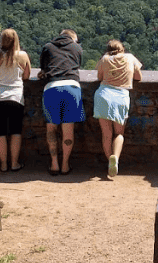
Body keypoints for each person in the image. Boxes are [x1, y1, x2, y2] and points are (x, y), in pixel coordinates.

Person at [0, 28, 31, 172]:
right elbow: (26, 76)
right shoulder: (23, 55)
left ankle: (3, 164)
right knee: (16, 131)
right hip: (15, 97)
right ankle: (14, 163)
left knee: (0, 131)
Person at [94, 39, 143, 179]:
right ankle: (115, 157)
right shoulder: (130, 57)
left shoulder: (104, 59)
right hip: (121, 96)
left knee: (106, 134)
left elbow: (99, 77)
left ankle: (110, 160)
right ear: (122, 48)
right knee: (119, 133)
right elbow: (139, 77)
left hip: (103, 95)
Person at [39, 28, 84, 176]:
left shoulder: (47, 47)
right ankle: (65, 165)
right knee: (68, 129)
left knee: (51, 129)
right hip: (72, 87)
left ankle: (54, 164)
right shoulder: (77, 48)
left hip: (52, 88)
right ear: (73, 39)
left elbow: (44, 69)